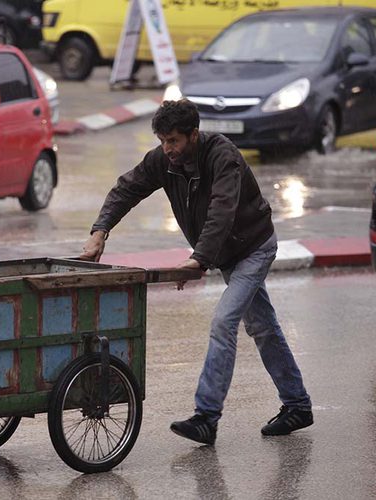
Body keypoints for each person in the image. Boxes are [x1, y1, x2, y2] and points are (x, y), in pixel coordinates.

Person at [80, 99, 312, 445]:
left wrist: (198, 259)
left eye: (173, 140)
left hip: (253, 247)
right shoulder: (164, 161)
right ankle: (297, 405)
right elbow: (127, 188)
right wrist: (100, 232)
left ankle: (206, 416)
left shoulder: (223, 156)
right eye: (162, 141)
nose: (167, 148)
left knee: (223, 323)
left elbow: (222, 210)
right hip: (226, 253)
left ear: (194, 134)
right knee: (262, 326)